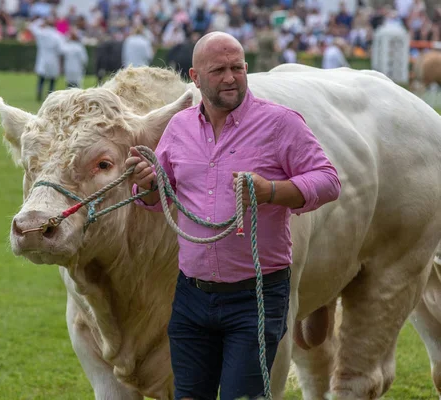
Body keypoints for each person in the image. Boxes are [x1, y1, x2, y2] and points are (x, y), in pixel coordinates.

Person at [125, 32, 341, 400]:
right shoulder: (178, 128)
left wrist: (270, 190)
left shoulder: (280, 123)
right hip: (192, 295)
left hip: (256, 295)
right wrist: (144, 185)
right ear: (195, 77)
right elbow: (157, 196)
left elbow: (328, 181)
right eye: (219, 70)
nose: (230, 78)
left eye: (237, 68)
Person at [28, 17, 64, 102]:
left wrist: (41, 20)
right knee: (52, 80)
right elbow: (61, 49)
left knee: (41, 79)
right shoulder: (58, 35)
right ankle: (49, 97)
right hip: (53, 59)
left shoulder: (41, 33)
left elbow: (31, 26)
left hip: (43, 58)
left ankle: (39, 95)